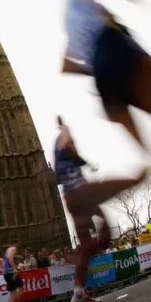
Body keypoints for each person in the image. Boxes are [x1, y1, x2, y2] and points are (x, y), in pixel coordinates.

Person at [56, 0, 151, 153]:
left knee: (144, 148)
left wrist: (97, 69)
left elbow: (65, 66)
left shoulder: (69, 19)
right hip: (117, 49)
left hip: (103, 78)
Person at [55, 116, 144, 302]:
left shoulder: (59, 157)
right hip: (80, 194)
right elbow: (67, 146)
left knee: (86, 247)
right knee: (104, 194)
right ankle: (136, 179)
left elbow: (58, 174)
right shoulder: (64, 138)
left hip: (71, 200)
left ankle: (79, 291)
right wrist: (85, 161)